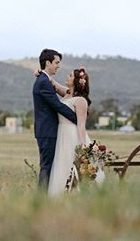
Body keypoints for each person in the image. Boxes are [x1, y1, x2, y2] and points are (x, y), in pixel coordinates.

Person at [32, 49, 78, 190]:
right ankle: (41, 200)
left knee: (50, 167)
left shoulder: (45, 80)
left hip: (48, 131)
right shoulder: (43, 82)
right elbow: (57, 105)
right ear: (48, 63)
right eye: (56, 62)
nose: (58, 66)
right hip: (47, 131)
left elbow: (64, 94)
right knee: (47, 167)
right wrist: (77, 119)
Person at [47, 67, 93, 196]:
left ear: (77, 81)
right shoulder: (67, 94)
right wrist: (42, 73)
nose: (67, 77)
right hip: (62, 135)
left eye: (70, 75)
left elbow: (81, 126)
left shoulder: (80, 101)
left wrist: (83, 149)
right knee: (61, 167)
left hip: (72, 137)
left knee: (70, 167)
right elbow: (54, 85)